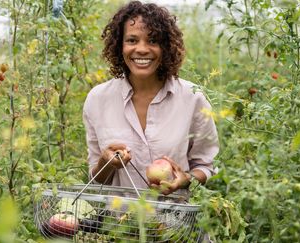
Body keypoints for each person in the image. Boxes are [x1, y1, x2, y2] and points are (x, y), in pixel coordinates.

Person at [83, 1, 219, 196]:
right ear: (119, 46)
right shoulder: (97, 100)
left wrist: (185, 180)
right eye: (132, 40)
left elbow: (206, 166)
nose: (142, 49)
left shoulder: (192, 98)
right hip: (120, 223)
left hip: (176, 222)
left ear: (166, 47)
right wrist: (106, 163)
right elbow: (96, 180)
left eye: (153, 41)